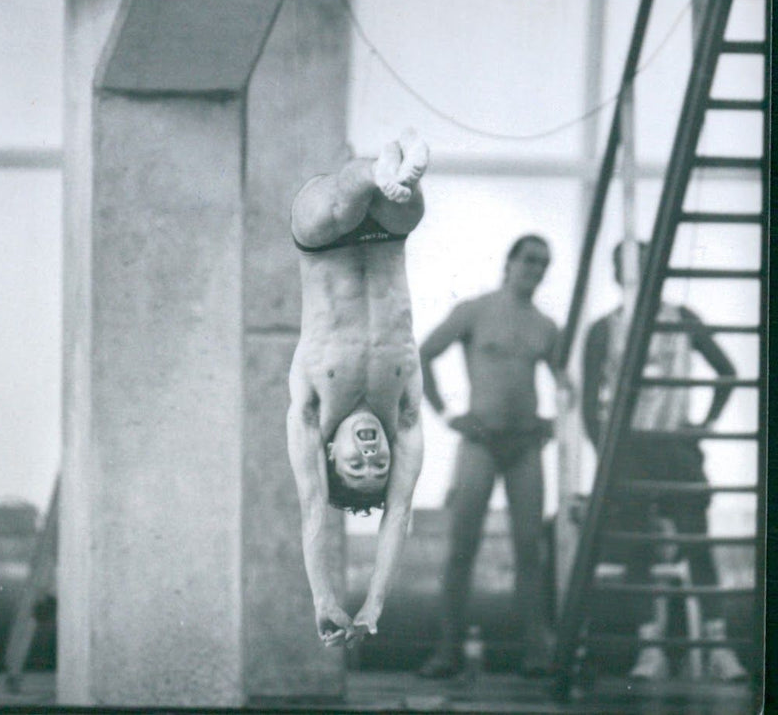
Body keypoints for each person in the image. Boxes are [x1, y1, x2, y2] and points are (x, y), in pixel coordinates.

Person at [287, 129, 428, 649]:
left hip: (322, 239)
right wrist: (374, 603)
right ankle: (399, 176)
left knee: (345, 208)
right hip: (388, 240)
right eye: (379, 465)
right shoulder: (405, 413)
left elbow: (311, 507)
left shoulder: (311, 411)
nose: (372, 454)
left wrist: (325, 598)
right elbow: (400, 513)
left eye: (355, 463)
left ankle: (375, 172)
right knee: (408, 212)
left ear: (329, 451)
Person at [581, 240, 748, 682]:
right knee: (640, 544)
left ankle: (717, 645)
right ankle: (649, 645)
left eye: (646, 265)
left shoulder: (682, 318)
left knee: (696, 540)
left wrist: (704, 424)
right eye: (629, 268)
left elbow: (727, 371)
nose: (637, 275)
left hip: (675, 446)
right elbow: (586, 407)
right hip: (631, 448)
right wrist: (610, 455)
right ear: (618, 274)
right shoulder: (605, 328)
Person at [417, 234, 571, 679]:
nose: (535, 269)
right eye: (529, 259)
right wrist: (448, 414)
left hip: (525, 446)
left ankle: (536, 651)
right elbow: (422, 355)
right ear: (509, 262)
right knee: (462, 547)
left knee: (530, 549)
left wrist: (552, 424)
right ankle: (446, 652)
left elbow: (567, 387)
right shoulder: (475, 310)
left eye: (544, 263)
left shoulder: (545, 325)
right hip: (481, 441)